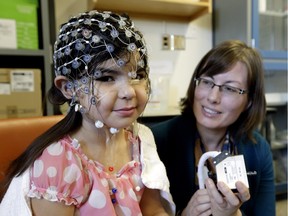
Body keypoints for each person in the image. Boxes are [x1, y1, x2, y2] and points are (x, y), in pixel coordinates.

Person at [0, 10, 175, 215]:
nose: (129, 92)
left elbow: (153, 210)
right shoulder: (59, 162)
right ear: (68, 88)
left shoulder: (139, 140)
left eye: (138, 75)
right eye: (107, 78)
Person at [151, 40, 275, 216]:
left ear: (249, 101)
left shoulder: (258, 149)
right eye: (207, 82)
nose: (213, 97)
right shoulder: (156, 142)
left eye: (230, 88)